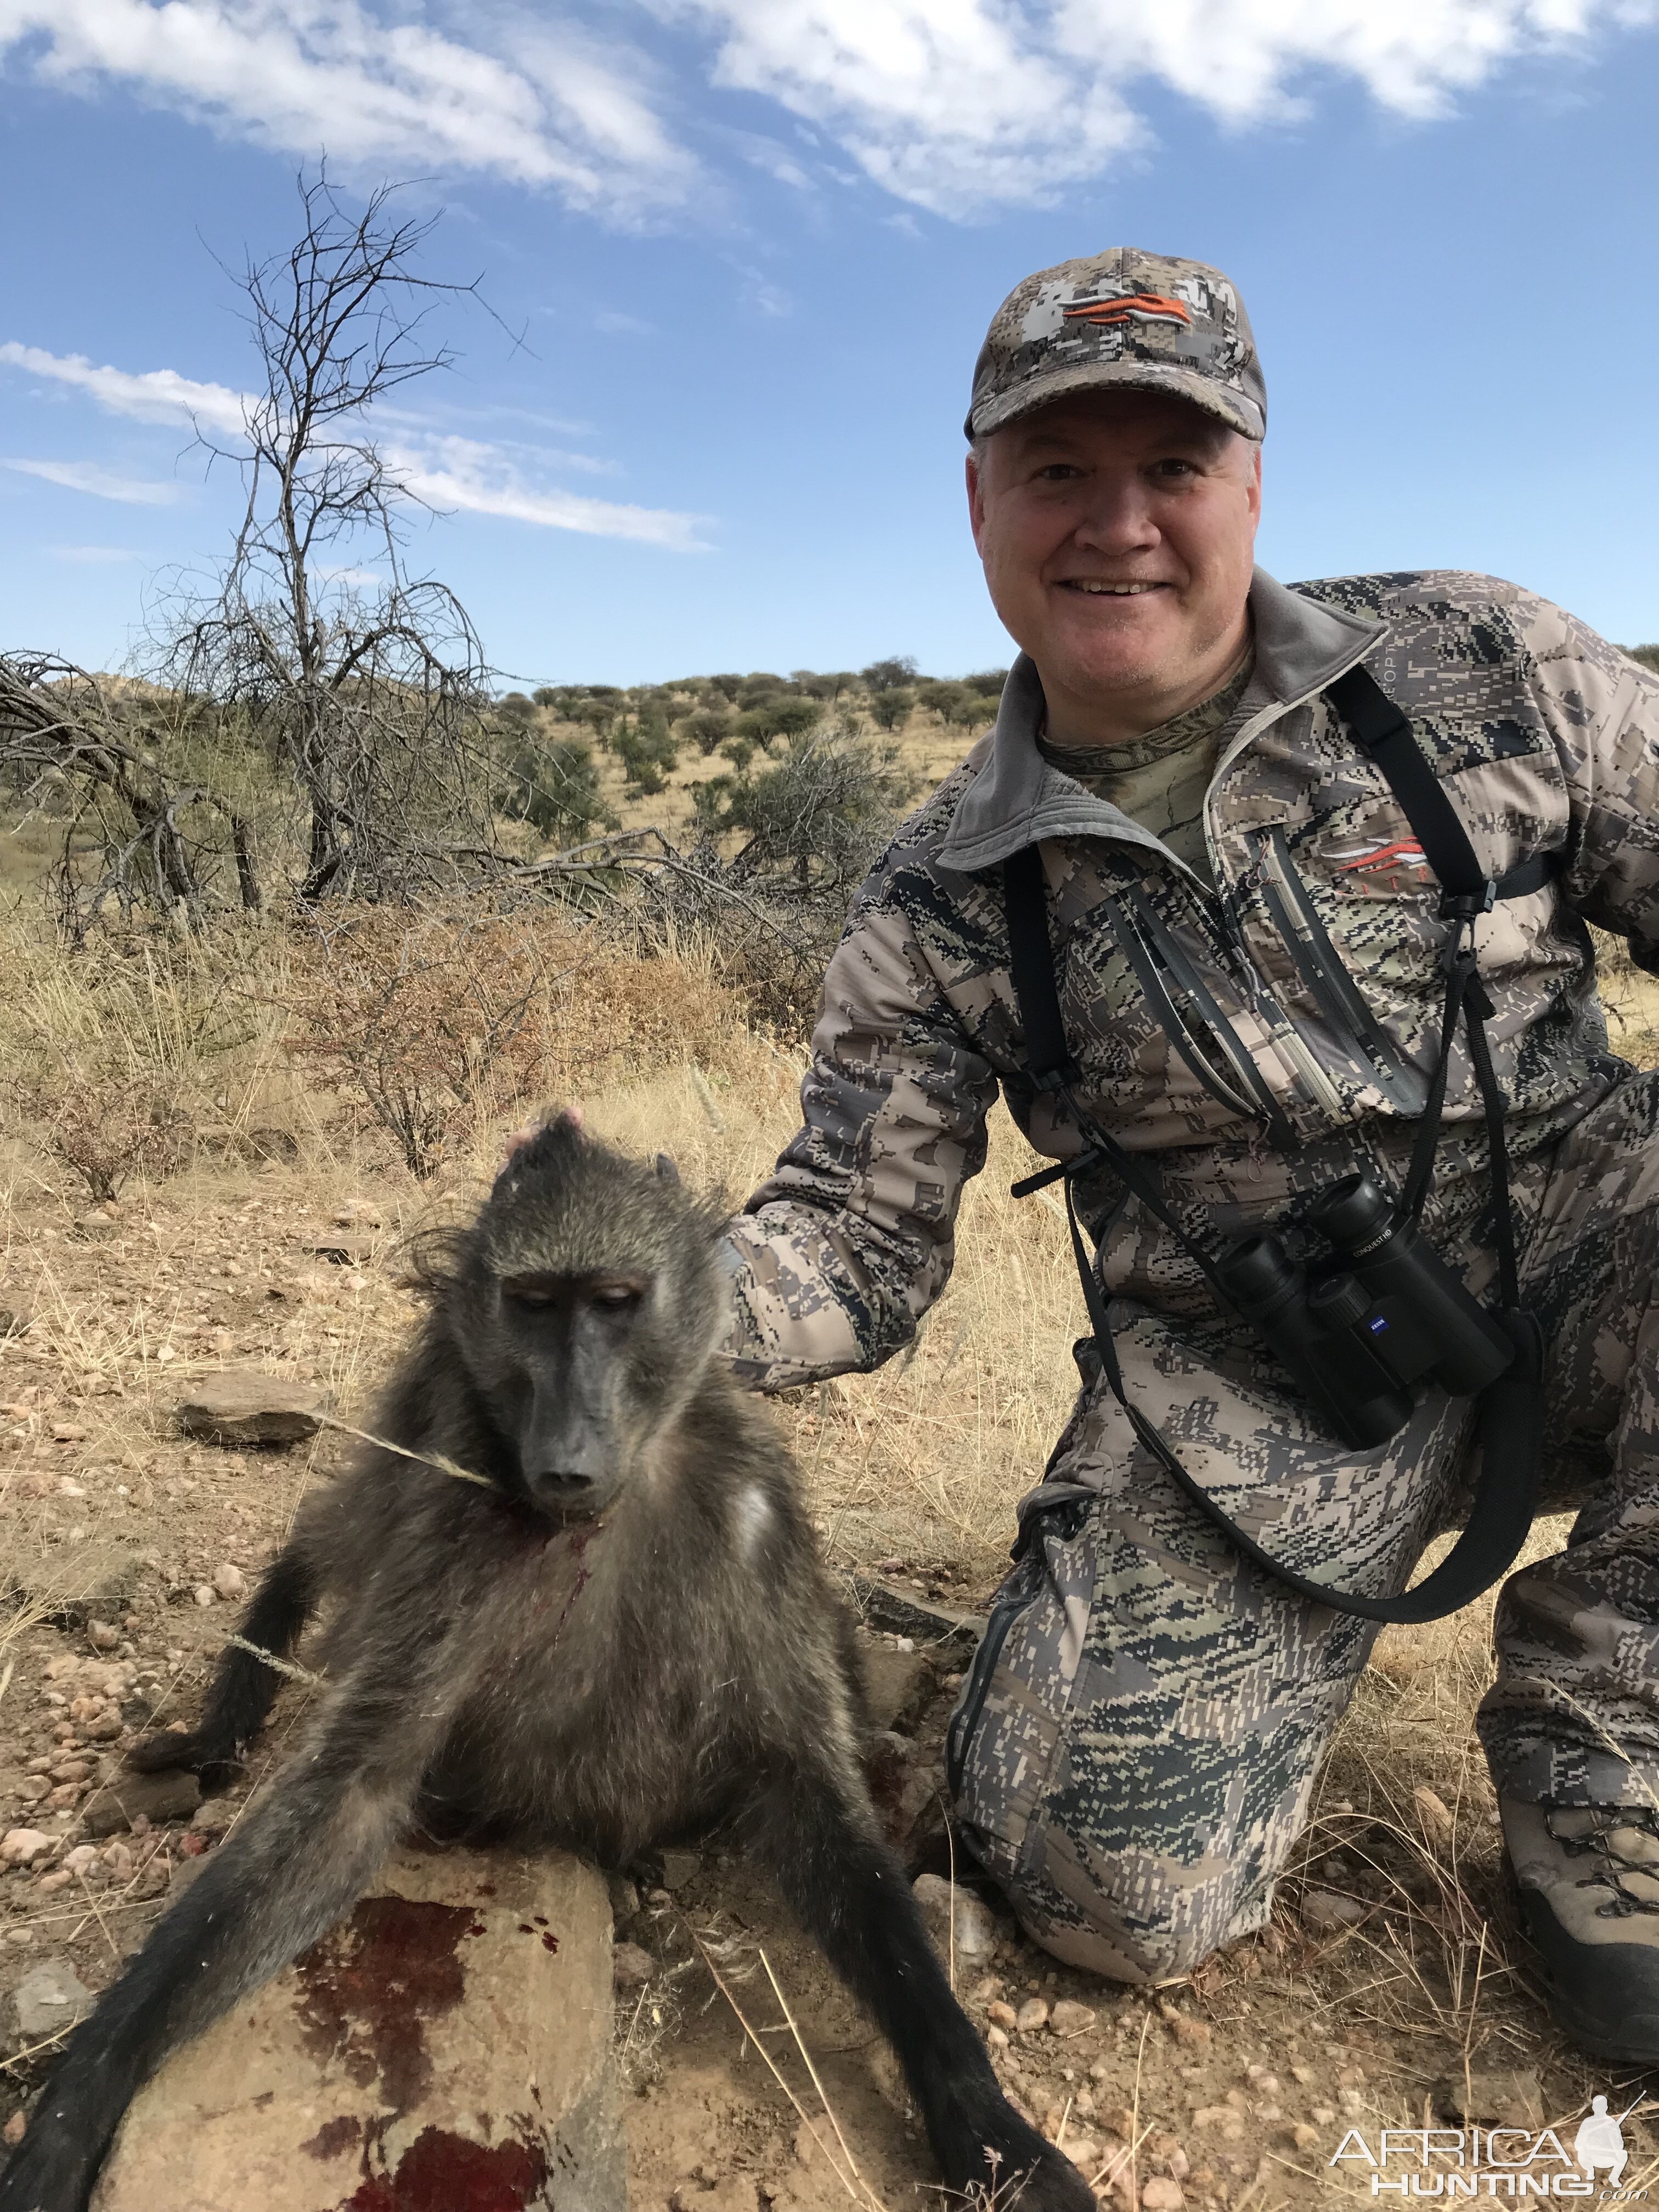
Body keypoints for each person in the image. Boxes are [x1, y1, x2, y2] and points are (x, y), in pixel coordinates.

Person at [716, 246, 1659, 2062]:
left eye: (1173, 466)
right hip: (1272, 1383)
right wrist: (640, 1314)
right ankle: (1038, 1647)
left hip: (1599, 1264)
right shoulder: (937, 891)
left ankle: (1608, 1731)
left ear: (1253, 485)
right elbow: (852, 1241)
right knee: (1106, 1904)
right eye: (1060, 470)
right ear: (979, 498)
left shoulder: (1485, 662)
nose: (1117, 525)